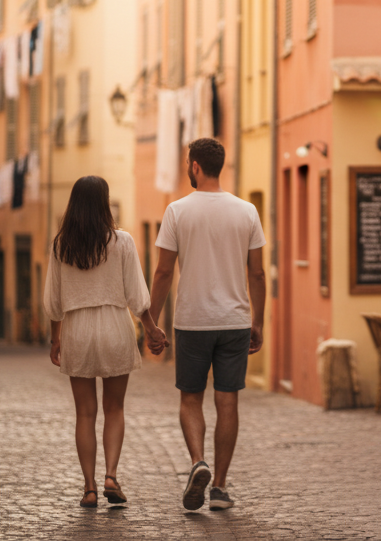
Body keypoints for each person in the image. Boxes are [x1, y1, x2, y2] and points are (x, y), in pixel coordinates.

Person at [148, 138, 266, 512]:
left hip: (193, 321)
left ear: (195, 166)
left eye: (187, 163)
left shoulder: (177, 211)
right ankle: (219, 487)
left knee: (190, 398)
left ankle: (198, 461)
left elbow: (164, 271)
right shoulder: (247, 211)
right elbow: (258, 272)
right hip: (234, 320)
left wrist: (151, 321)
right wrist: (257, 321)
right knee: (227, 400)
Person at [43, 176, 167, 509]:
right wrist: (153, 330)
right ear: (104, 203)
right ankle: (111, 475)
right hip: (115, 325)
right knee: (114, 408)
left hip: (77, 329)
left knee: (85, 413)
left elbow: (53, 301)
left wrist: (56, 339)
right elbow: (138, 297)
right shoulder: (122, 242)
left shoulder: (60, 245)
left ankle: (89, 488)